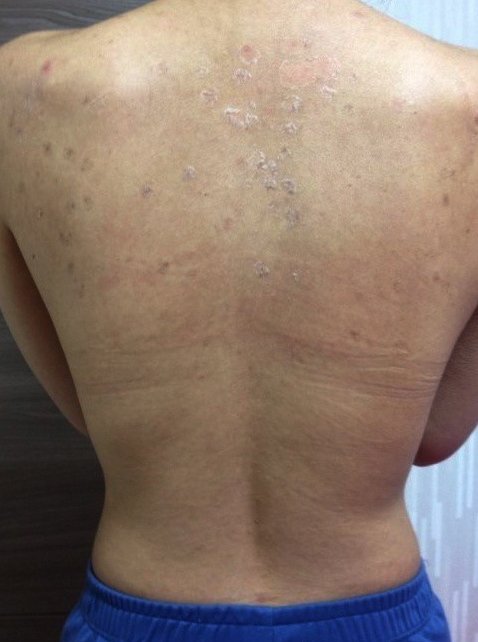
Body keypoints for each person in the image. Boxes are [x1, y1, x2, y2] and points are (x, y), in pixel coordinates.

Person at [0, 0, 476, 639]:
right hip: (373, 612)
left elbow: (92, 406)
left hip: (138, 609)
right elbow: (434, 435)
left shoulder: (20, 91)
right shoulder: (467, 97)